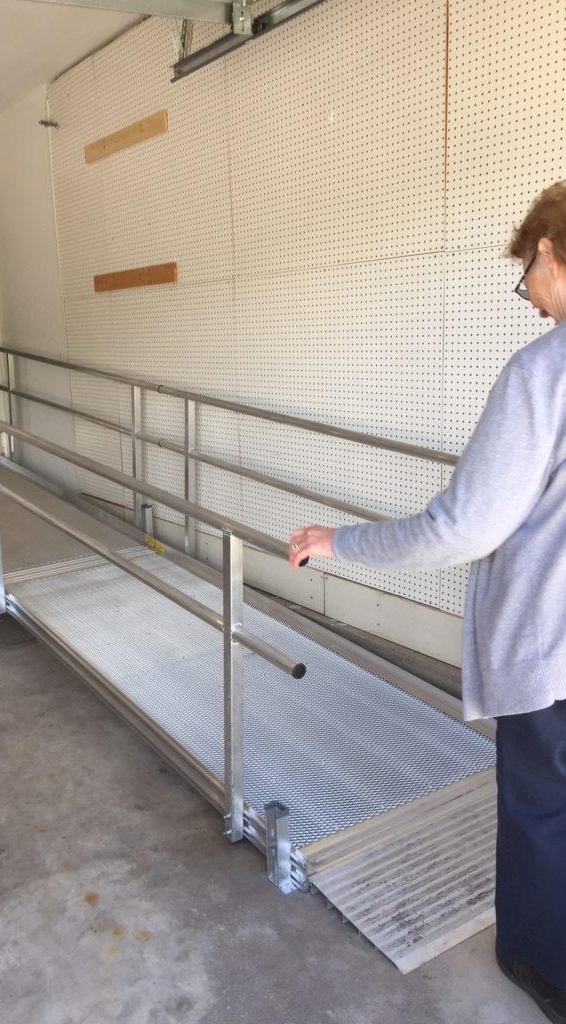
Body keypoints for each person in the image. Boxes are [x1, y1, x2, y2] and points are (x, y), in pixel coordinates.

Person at [288, 181, 566, 1024]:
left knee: (542, 810)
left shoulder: (544, 372)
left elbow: (463, 526)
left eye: (528, 275)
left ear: (554, 253)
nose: (530, 298)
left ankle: (541, 964)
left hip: (555, 653)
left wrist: (341, 541)